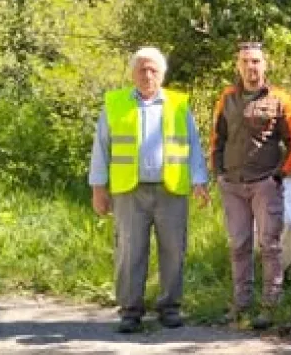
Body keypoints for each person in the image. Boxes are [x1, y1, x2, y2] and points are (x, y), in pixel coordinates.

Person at [89, 46, 210, 333]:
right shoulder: (115, 104)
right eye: (141, 69)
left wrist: (199, 181)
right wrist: (98, 188)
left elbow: (193, 145)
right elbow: (101, 147)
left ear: (162, 74)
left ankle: (170, 307)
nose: (147, 74)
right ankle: (130, 310)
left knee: (174, 250)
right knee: (129, 250)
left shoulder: (179, 105)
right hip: (129, 191)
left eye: (153, 69)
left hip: (171, 190)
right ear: (132, 73)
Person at [210, 41, 291, 330]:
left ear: (265, 65)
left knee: (270, 245)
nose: (251, 67)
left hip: (265, 183)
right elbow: (217, 138)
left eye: (256, 62)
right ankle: (241, 304)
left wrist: (280, 174)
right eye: (246, 61)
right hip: (233, 185)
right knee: (239, 244)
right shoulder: (226, 98)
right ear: (238, 65)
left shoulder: (280, 99)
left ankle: (270, 306)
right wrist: (219, 172)